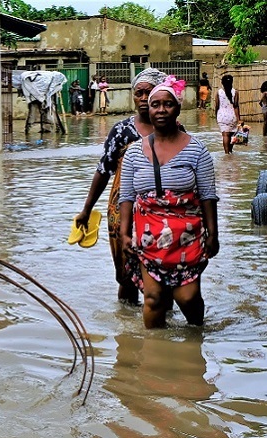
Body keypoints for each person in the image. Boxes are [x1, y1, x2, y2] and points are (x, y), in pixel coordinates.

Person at [118, 76, 220, 329]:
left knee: (187, 298)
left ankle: (197, 338)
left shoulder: (197, 150)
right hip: (149, 237)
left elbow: (208, 195)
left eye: (168, 104)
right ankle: (154, 357)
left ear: (178, 108)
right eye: (155, 105)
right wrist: (123, 232)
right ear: (148, 109)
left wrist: (212, 234)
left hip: (186, 236)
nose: (161, 110)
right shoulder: (133, 152)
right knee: (153, 299)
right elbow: (127, 196)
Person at [73, 68, 170, 305]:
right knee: (126, 277)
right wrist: (86, 209)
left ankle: (161, 330)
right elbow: (103, 170)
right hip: (123, 212)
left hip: (162, 213)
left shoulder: (174, 131)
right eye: (139, 93)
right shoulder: (122, 131)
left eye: (149, 93)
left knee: (164, 276)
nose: (143, 98)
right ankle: (126, 331)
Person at [214, 74, 240, 154]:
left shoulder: (219, 92)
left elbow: (217, 106)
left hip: (222, 116)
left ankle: (226, 153)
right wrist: (239, 119)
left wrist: (216, 116)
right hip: (232, 116)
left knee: (225, 135)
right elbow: (236, 106)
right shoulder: (235, 92)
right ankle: (230, 151)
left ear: (222, 82)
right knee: (232, 135)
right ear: (232, 82)